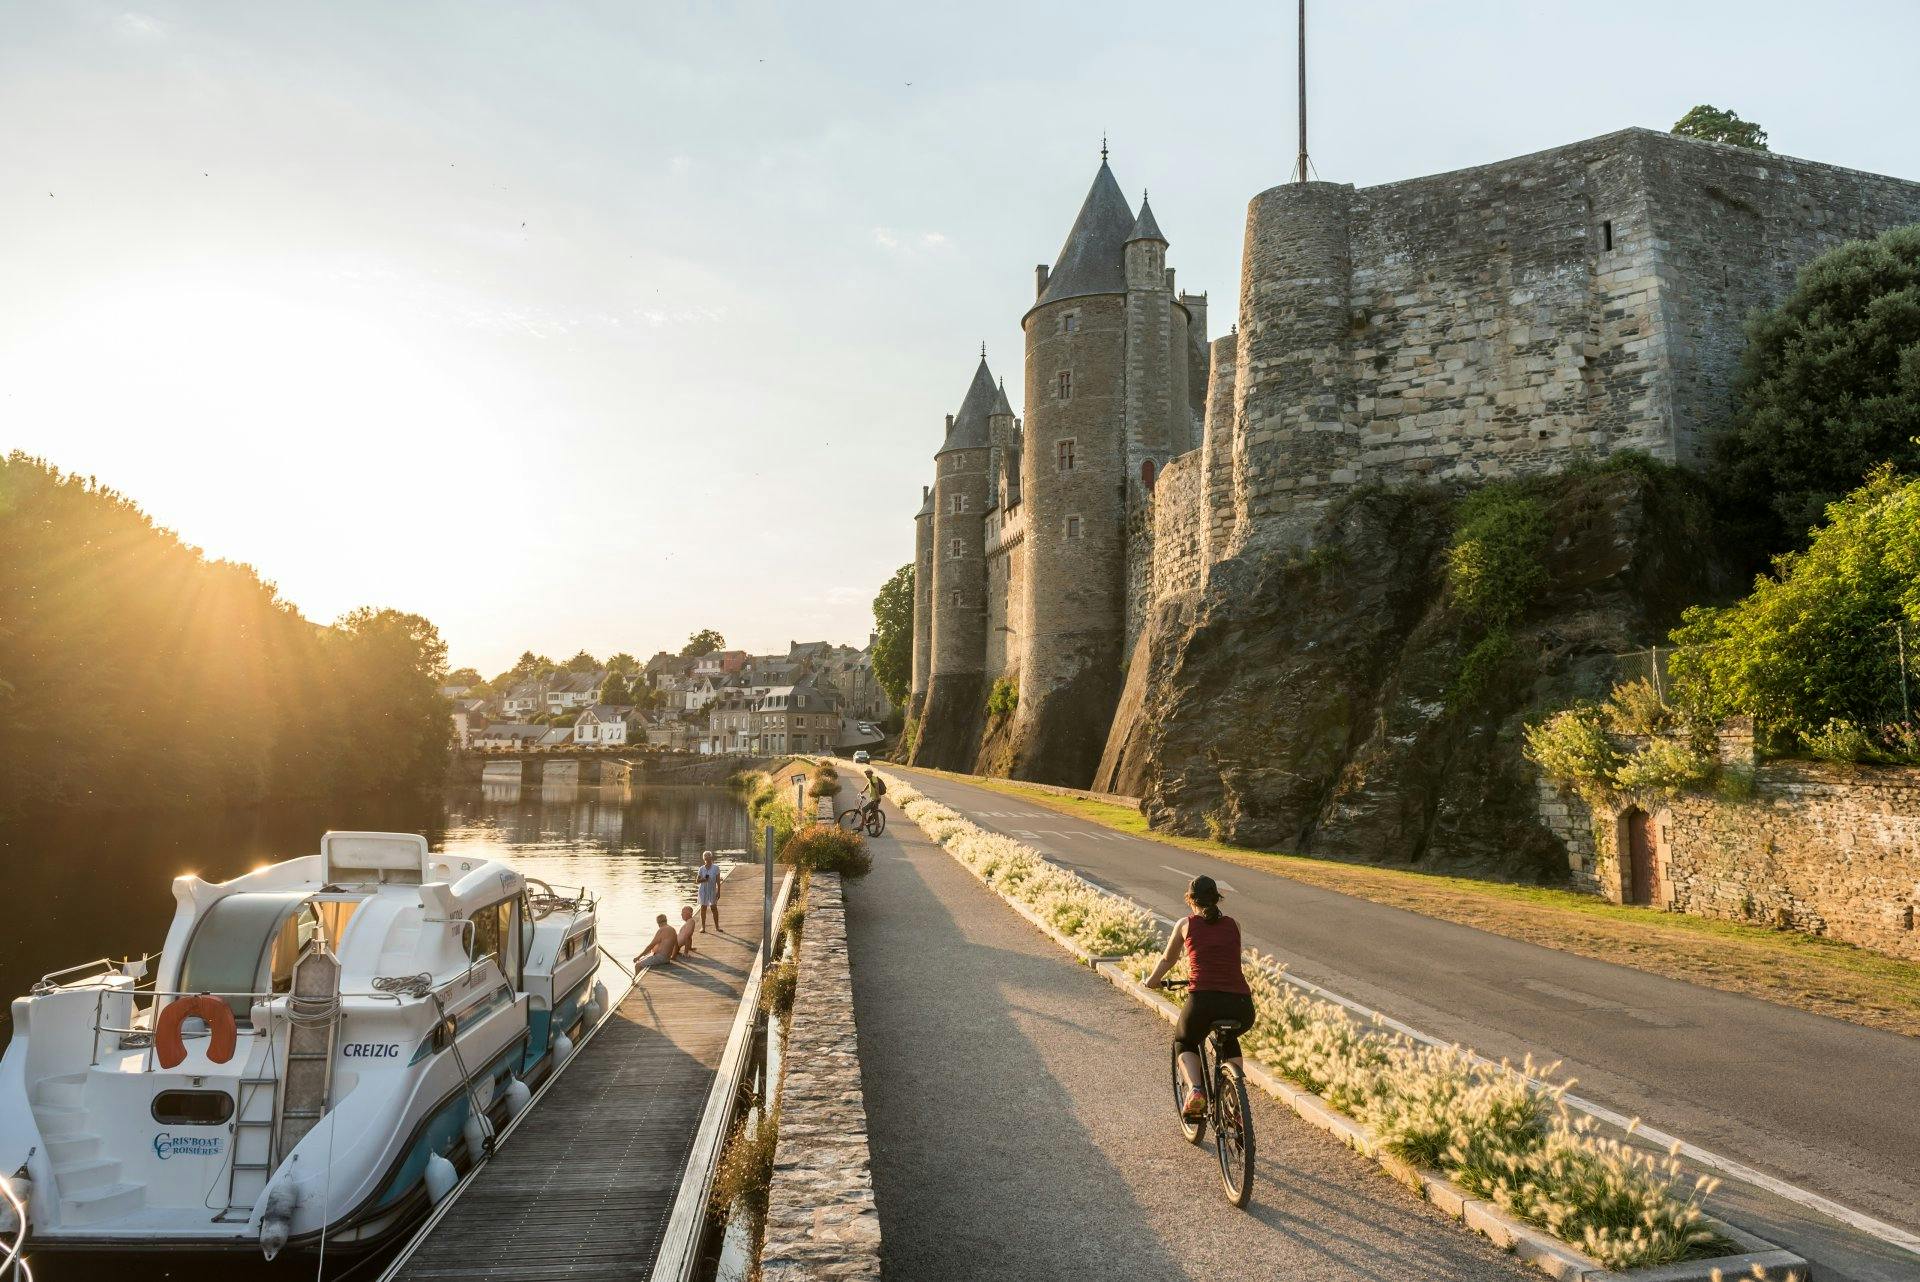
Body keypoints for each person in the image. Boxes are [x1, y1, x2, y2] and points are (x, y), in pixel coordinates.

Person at [1146, 875, 1255, 1120]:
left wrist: (1151, 981)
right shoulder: (1234, 924)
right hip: (1240, 1004)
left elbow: (1168, 959)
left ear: (1190, 900)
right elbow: (1229, 960)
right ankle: (1236, 1094)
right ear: (1217, 899)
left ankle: (1195, 1090)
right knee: (1229, 1036)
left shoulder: (1186, 924)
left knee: (1184, 1040)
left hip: (1203, 1001)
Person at [696, 851, 722, 932]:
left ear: (711, 858)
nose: (707, 860)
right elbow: (697, 880)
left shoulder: (716, 868)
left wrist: (719, 891)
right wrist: (704, 879)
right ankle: (703, 927)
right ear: (704, 859)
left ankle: (717, 927)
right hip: (703, 890)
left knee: (714, 908)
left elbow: (718, 881)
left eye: (709, 858)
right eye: (706, 858)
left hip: (712, 890)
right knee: (703, 908)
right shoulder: (701, 868)